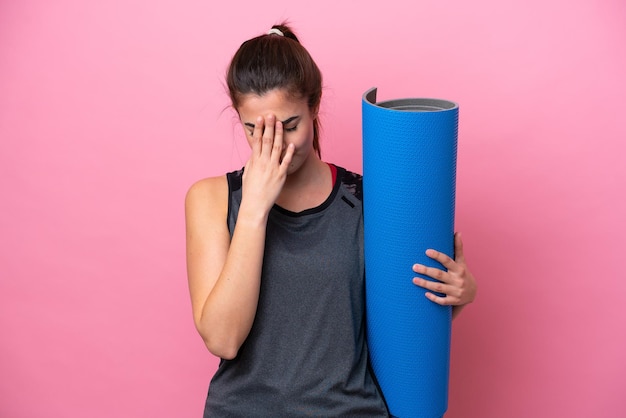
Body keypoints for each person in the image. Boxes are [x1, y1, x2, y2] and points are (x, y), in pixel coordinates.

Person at [185, 23, 477, 417]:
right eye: (255, 130)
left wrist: (457, 293)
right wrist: (254, 207)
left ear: (314, 106)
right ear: (239, 119)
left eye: (289, 126)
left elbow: (405, 323)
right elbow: (224, 339)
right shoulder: (211, 199)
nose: (275, 145)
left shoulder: (373, 203)